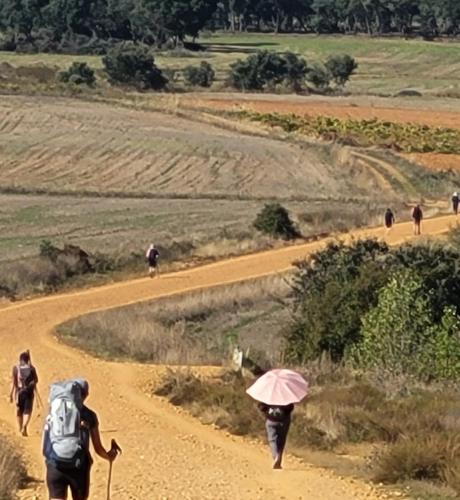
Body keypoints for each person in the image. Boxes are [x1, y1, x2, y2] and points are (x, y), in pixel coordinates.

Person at [43, 379, 118, 500]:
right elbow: (98, 448)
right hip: (78, 466)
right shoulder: (89, 415)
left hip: (55, 464)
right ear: (85, 394)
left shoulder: (55, 412)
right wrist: (108, 456)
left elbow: (45, 442)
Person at [9, 351, 38, 437]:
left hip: (19, 393)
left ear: (20, 359)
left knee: (19, 411)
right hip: (29, 393)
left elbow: (14, 382)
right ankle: (25, 425)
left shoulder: (16, 368)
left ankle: (20, 427)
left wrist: (10, 394)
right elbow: (36, 380)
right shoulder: (32, 368)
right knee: (27, 411)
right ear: (28, 359)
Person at [258, 403, 294, 469]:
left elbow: (261, 407)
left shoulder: (268, 396)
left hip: (271, 421)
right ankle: (278, 461)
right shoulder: (285, 397)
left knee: (272, 440)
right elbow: (291, 408)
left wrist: (268, 411)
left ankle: (275, 456)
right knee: (282, 441)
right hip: (284, 421)